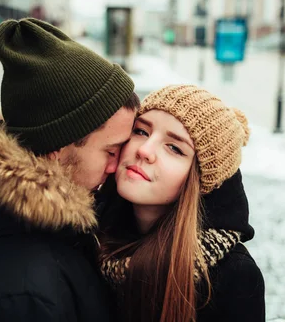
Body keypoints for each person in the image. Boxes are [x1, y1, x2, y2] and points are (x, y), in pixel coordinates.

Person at [0, 18, 140, 321]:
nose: (119, 165)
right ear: (57, 149)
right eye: (111, 151)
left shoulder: (47, 227)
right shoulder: (22, 299)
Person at [97, 85, 265, 322]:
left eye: (174, 148)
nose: (145, 150)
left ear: (201, 179)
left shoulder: (231, 275)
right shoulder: (87, 231)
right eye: (141, 131)